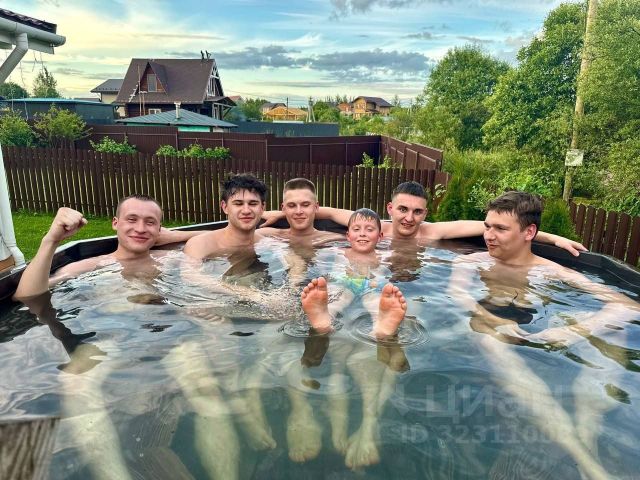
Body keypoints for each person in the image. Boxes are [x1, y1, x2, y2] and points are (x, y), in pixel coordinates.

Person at [12, 195, 242, 480]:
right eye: (132, 219)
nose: (140, 228)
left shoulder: (172, 260)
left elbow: (229, 239)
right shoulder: (89, 266)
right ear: (115, 223)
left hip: (171, 334)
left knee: (206, 390)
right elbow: (28, 296)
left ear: (160, 230)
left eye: (150, 222)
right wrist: (51, 240)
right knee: (76, 384)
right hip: (110, 338)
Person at [447, 191, 639, 480]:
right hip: (487, 329)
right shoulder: (471, 262)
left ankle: (587, 430)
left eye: (500, 229)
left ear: (529, 232)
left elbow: (627, 306)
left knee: (615, 331)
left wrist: (571, 331)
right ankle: (585, 461)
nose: (488, 235)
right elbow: (458, 296)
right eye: (487, 226)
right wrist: (495, 322)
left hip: (541, 329)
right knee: (489, 342)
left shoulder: (551, 272)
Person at [288, 209, 409, 469]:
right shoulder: (338, 253)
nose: (362, 234)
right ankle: (324, 318)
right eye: (357, 229)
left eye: (369, 230)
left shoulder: (385, 256)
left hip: (372, 285)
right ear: (348, 235)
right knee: (335, 299)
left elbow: (394, 270)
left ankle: (380, 327)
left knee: (377, 302)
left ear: (380, 236)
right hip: (344, 282)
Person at [263, 181, 586, 255]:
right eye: (402, 209)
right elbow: (327, 210)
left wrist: (552, 238)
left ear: (425, 213)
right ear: (390, 209)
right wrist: (280, 214)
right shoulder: (372, 227)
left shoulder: (433, 233)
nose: (409, 218)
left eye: (417, 211)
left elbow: (491, 227)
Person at [183, 174, 268, 260]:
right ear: (225, 207)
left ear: (262, 207)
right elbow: (191, 269)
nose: (246, 211)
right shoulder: (200, 245)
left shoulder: (266, 243)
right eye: (238, 204)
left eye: (253, 204)